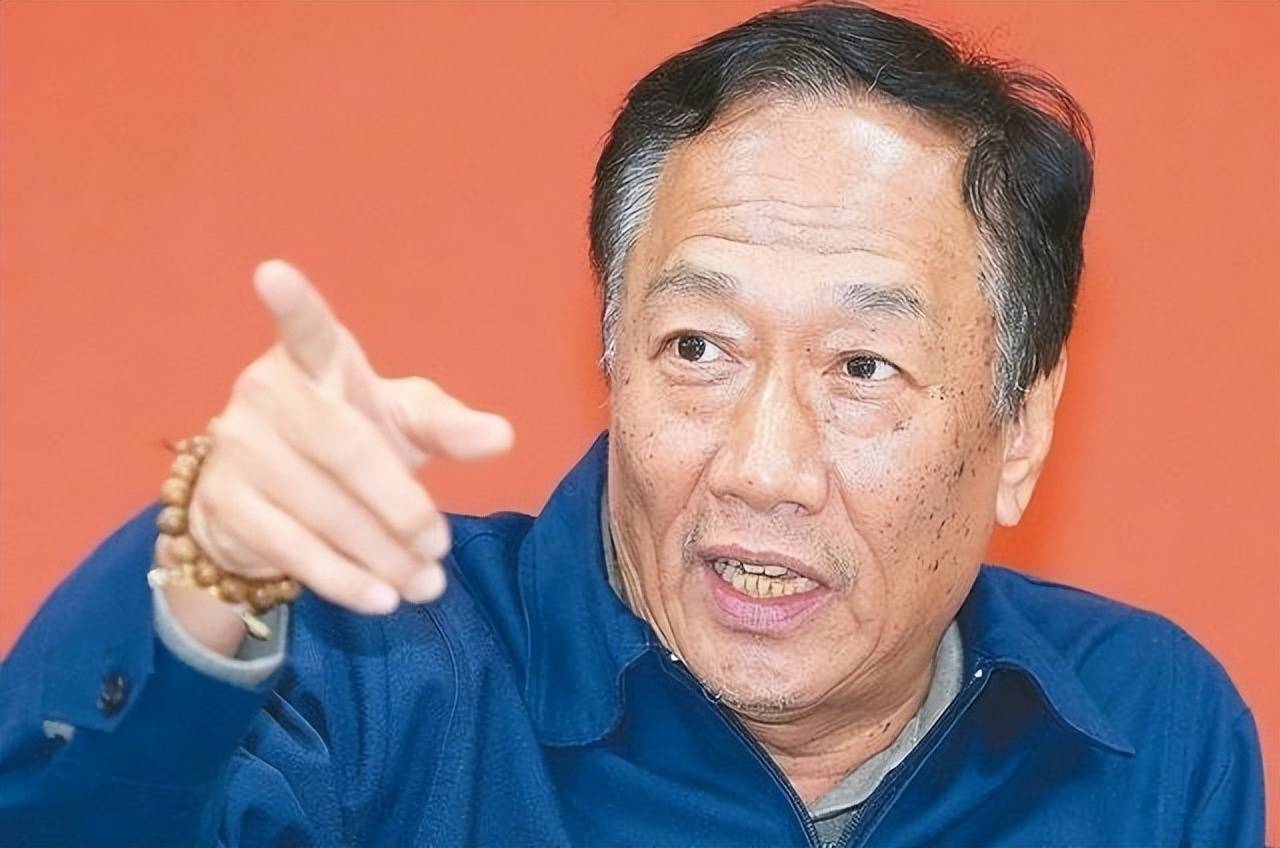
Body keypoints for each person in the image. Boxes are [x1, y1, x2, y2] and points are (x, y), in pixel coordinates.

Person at [0, 2, 1264, 846]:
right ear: (609, 354)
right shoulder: (368, 673)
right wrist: (208, 572)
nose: (762, 468)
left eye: (862, 366)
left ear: (1019, 430)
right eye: (697, 348)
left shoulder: (1148, 734)